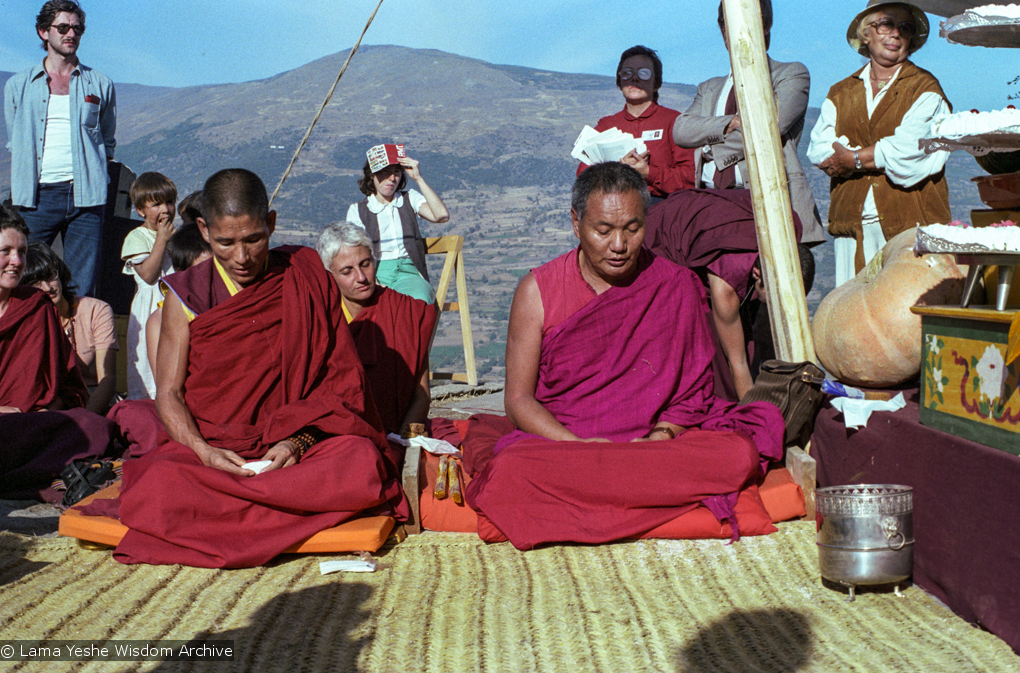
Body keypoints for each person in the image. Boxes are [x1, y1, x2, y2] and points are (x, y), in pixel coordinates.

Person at [463, 163, 785, 551]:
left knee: (737, 453)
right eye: (604, 230)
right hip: (567, 450)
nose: (619, 245)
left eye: (632, 229)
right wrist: (578, 447)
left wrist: (661, 435)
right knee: (512, 470)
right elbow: (517, 400)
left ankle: (595, 502)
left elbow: (692, 392)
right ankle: (647, 499)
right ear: (575, 223)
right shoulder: (538, 291)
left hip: (651, 450)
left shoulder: (675, 284)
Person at [101, 169, 407, 568]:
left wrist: (297, 443)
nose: (241, 257)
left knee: (360, 459)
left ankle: (229, 518)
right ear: (204, 231)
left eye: (254, 239)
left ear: (272, 224)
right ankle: (283, 511)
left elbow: (339, 385)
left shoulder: (306, 274)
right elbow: (170, 393)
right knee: (157, 484)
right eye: (226, 243)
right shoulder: (186, 295)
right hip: (219, 450)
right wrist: (203, 451)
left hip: (298, 445)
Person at [807, 0, 950, 285]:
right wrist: (874, 156)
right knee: (853, 311)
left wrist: (853, 159)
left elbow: (912, 149)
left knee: (907, 310)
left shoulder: (926, 89)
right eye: (886, 24)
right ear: (866, 33)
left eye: (905, 28)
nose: (895, 34)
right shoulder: (840, 92)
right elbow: (820, 150)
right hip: (853, 225)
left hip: (911, 225)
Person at [673, 0, 825, 248]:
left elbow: (767, 129)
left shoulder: (790, 75)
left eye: (743, 19)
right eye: (726, 22)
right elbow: (681, 130)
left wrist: (710, 148)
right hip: (713, 205)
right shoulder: (709, 88)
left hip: (768, 201)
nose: (732, 29)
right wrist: (728, 123)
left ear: (765, 24)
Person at [0, 204, 114, 502]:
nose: (16, 261)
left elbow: (66, 380)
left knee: (92, 426)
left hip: (32, 424)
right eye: (6, 251)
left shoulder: (36, 306)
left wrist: (52, 408)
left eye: (22, 252)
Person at [3, 0, 116, 297]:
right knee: (24, 280)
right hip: (36, 197)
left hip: (86, 198)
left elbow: (107, 139)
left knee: (82, 287)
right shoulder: (18, 86)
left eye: (77, 28)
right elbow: (16, 140)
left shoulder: (100, 84)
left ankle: (77, 343)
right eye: (63, 27)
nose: (71, 34)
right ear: (43, 31)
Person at [644, 188, 802, 400]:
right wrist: (755, 418)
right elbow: (737, 362)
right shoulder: (726, 283)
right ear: (757, 274)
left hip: (701, 219)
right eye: (775, 297)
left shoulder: (787, 226)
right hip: (662, 234)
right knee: (716, 346)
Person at [316, 222, 437, 436]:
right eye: (347, 271)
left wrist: (401, 440)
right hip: (339, 434)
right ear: (329, 275)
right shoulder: (321, 321)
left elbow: (422, 395)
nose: (361, 277)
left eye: (365, 264)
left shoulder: (404, 312)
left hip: (397, 434)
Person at [577, 45, 695, 200]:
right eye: (627, 73)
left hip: (663, 208)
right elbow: (583, 175)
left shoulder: (675, 122)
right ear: (619, 82)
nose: (635, 78)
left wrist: (649, 173)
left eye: (644, 73)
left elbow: (692, 176)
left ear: (656, 83)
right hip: (616, 208)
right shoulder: (605, 126)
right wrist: (617, 171)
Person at [22, 241, 118, 414]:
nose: (47, 287)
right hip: (53, 401)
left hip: (95, 398)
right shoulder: (28, 322)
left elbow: (108, 379)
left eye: (51, 276)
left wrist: (85, 419)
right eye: (36, 283)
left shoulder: (96, 310)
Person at [346, 149, 449, 304]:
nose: (392, 178)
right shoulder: (357, 210)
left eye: (396, 172)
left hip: (409, 272)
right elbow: (355, 251)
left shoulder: (409, 199)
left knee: (418, 301)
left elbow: (441, 215)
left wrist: (418, 178)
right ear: (372, 175)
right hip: (375, 272)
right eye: (385, 172)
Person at [121, 172, 177, 400]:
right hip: (150, 308)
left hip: (172, 305)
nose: (165, 210)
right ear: (140, 210)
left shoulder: (174, 236)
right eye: (156, 204)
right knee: (149, 359)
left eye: (169, 202)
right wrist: (161, 241)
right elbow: (148, 275)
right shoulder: (137, 237)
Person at [145, 222, 212, 375]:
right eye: (200, 272)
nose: (210, 279)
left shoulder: (235, 302)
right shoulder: (159, 321)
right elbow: (164, 383)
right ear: (180, 275)